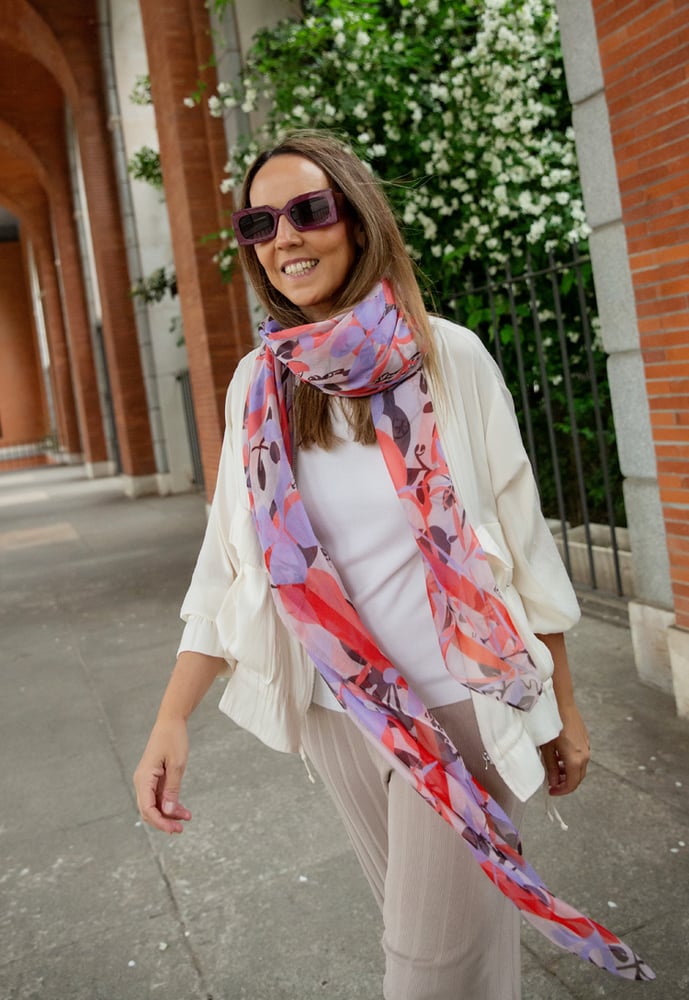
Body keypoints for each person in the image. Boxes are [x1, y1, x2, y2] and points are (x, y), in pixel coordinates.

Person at [134, 130, 653, 996]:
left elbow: (523, 548)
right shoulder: (258, 386)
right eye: (259, 223)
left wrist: (563, 707)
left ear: (355, 217)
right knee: (453, 957)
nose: (284, 238)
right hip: (340, 716)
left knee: (424, 971)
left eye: (308, 211)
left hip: (459, 707)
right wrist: (170, 718)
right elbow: (228, 567)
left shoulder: (448, 357)